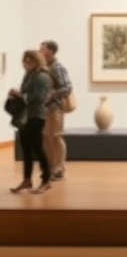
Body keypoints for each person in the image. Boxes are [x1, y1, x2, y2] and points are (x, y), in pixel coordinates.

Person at [9, 50, 54, 194]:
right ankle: (27, 180)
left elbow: (39, 97)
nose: (25, 64)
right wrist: (16, 95)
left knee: (37, 148)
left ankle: (46, 180)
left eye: (29, 61)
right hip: (25, 117)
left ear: (37, 61)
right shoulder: (28, 75)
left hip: (36, 116)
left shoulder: (42, 76)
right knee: (26, 149)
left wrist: (21, 95)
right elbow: (26, 94)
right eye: (24, 61)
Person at [39, 40, 73, 181]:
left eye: (43, 49)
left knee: (56, 137)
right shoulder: (43, 67)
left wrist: (53, 94)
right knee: (46, 138)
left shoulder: (58, 67)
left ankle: (59, 168)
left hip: (55, 108)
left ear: (51, 51)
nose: (40, 51)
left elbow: (67, 87)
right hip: (44, 108)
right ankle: (49, 167)